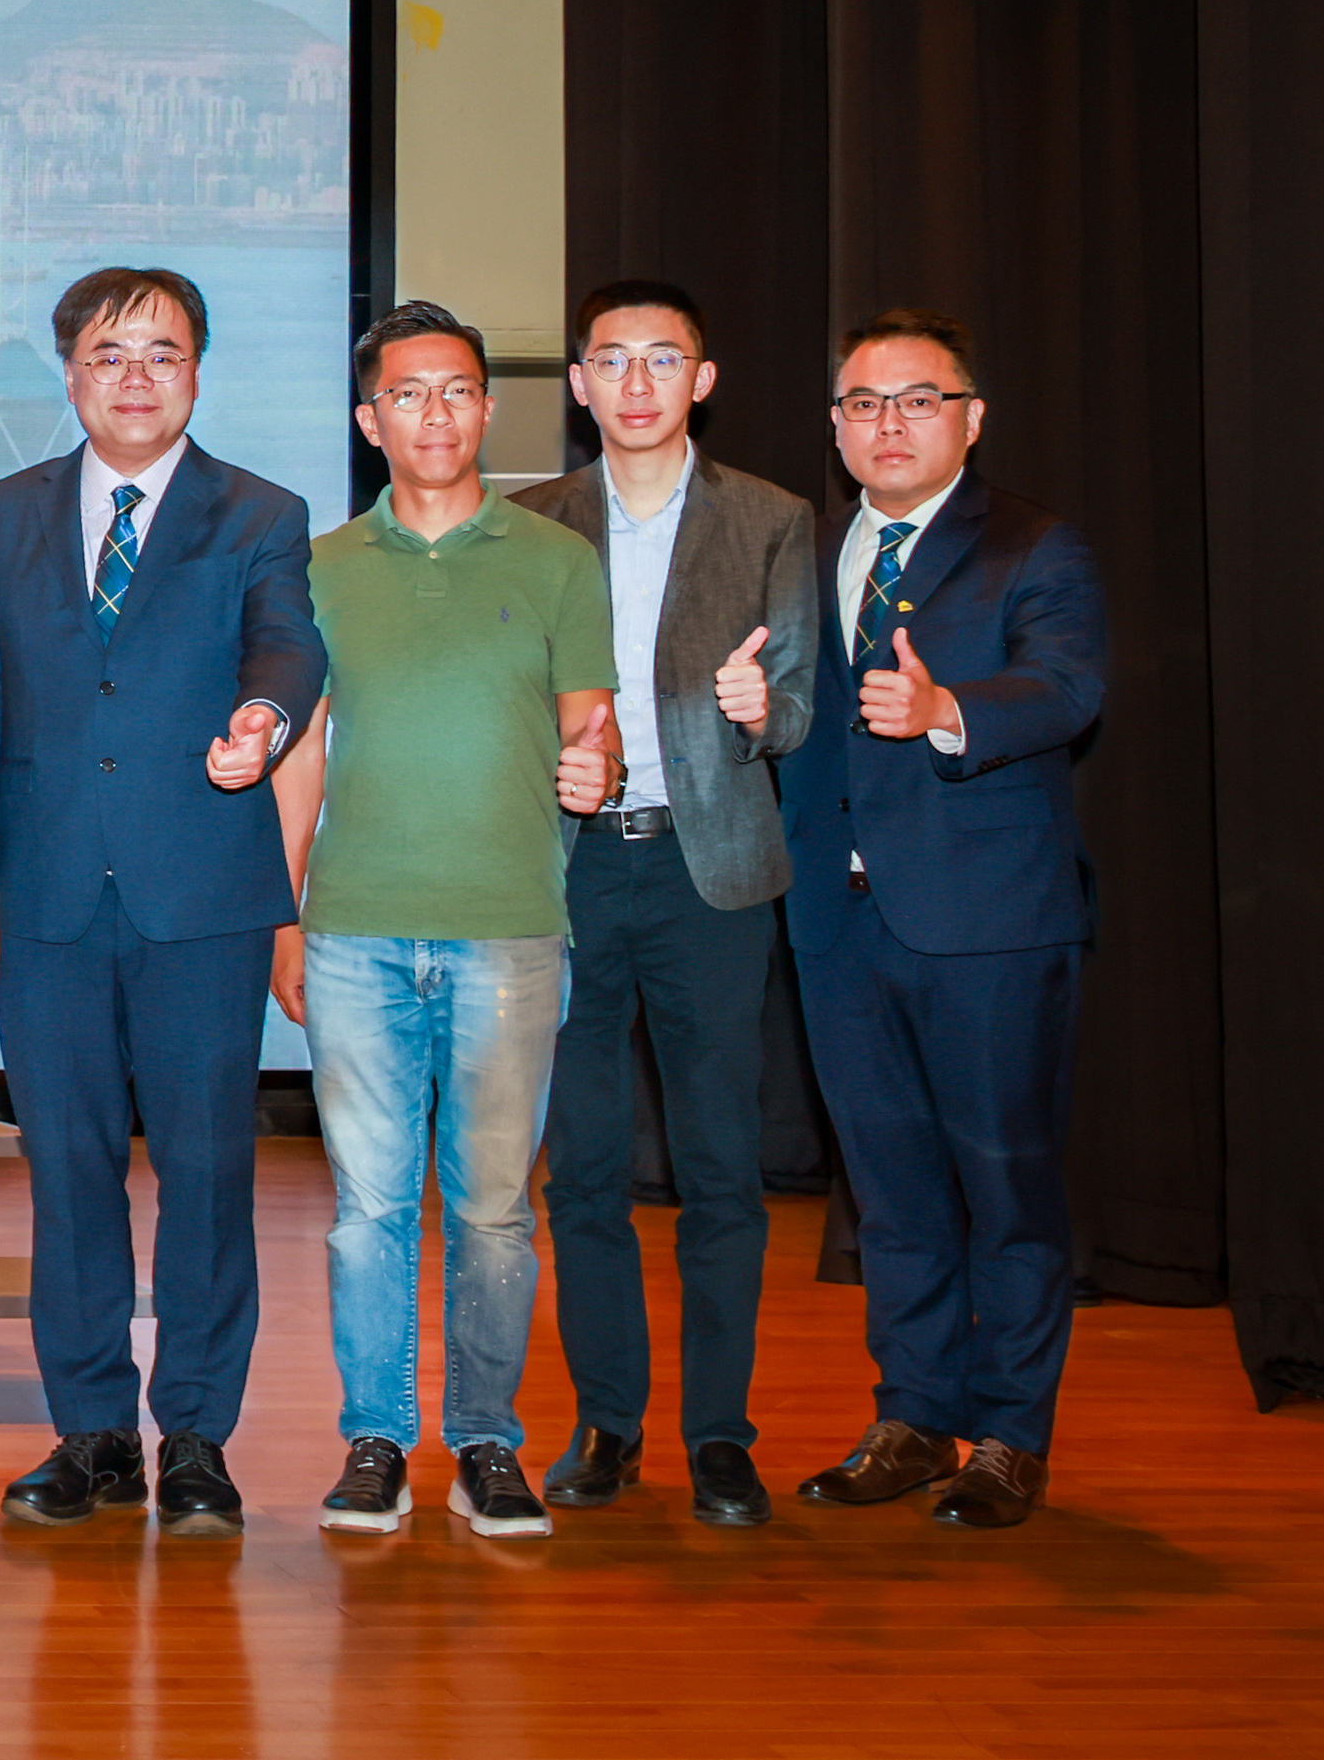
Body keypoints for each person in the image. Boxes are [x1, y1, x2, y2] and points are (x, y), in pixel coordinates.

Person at [0, 265, 324, 1536]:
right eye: (109, 356)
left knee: (211, 1172)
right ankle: (92, 1431)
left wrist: (264, 720)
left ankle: (199, 1436)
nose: (135, 378)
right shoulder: (5, 513)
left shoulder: (259, 511)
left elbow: (288, 646)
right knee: (68, 1170)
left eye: (161, 354)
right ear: (70, 375)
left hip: (201, 895)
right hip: (46, 895)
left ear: (197, 371)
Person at [272, 300, 618, 1538]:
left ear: (486, 406)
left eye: (457, 389)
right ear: (370, 421)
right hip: (354, 933)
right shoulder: (314, 568)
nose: (435, 411)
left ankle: (484, 1442)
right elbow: (300, 752)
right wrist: (284, 919)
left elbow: (592, 726)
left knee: (491, 1212)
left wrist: (603, 766)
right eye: (407, 393)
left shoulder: (556, 561)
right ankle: (374, 1440)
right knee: (368, 1211)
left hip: (511, 933)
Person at [507, 279, 821, 1529]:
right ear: (578, 385)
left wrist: (761, 712)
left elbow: (794, 703)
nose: (634, 384)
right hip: (569, 872)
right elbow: (502, 713)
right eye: (610, 362)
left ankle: (719, 1436)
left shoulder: (774, 520)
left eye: (661, 360)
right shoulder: (530, 525)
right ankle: (606, 1423)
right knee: (581, 1171)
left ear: (702, 378)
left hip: (711, 874)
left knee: (719, 1170)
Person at [786, 309, 1107, 1531]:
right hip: (838, 926)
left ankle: (1009, 1439)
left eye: (918, 400)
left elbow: (1068, 688)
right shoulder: (808, 550)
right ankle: (913, 1418)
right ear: (835, 428)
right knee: (892, 1191)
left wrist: (944, 710)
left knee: (1007, 1186)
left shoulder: (1033, 546)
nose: (889, 424)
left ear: (969, 418)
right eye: (865, 404)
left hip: (992, 926)